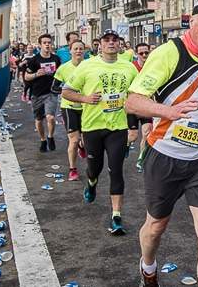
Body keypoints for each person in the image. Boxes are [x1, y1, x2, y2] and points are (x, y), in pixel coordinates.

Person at [125, 0, 198, 287]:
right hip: (165, 155)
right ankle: (148, 266)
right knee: (156, 226)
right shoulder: (168, 53)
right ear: (192, 22)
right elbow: (133, 102)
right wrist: (168, 111)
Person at [62, 29, 139, 234]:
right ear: (100, 45)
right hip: (92, 127)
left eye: (115, 40)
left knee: (116, 170)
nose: (111, 43)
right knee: (94, 168)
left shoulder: (129, 67)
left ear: (120, 44)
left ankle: (116, 216)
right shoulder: (87, 66)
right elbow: (66, 91)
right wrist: (85, 99)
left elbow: (136, 96)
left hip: (118, 128)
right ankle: (91, 182)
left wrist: (134, 127)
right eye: (107, 40)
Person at [52, 40, 86, 181]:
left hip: (87, 107)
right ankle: (73, 170)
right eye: (75, 49)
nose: (78, 51)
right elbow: (54, 88)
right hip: (69, 107)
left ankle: (82, 146)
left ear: (84, 51)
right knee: (74, 139)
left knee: (85, 139)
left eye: (81, 49)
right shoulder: (63, 68)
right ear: (70, 51)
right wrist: (68, 92)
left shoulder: (90, 66)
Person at [24, 34, 62, 153]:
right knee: (39, 119)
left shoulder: (56, 59)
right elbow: (26, 77)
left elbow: (61, 73)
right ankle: (43, 139)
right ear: (40, 45)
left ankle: (50, 136)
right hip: (37, 93)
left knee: (50, 117)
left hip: (51, 93)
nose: (47, 45)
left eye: (49, 42)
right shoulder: (34, 60)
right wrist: (36, 74)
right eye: (44, 43)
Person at [131, 42, 153, 173]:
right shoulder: (131, 67)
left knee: (147, 132)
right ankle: (127, 144)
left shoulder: (153, 67)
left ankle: (141, 158)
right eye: (141, 53)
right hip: (133, 105)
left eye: (146, 52)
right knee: (133, 136)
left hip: (146, 105)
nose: (144, 55)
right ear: (136, 54)